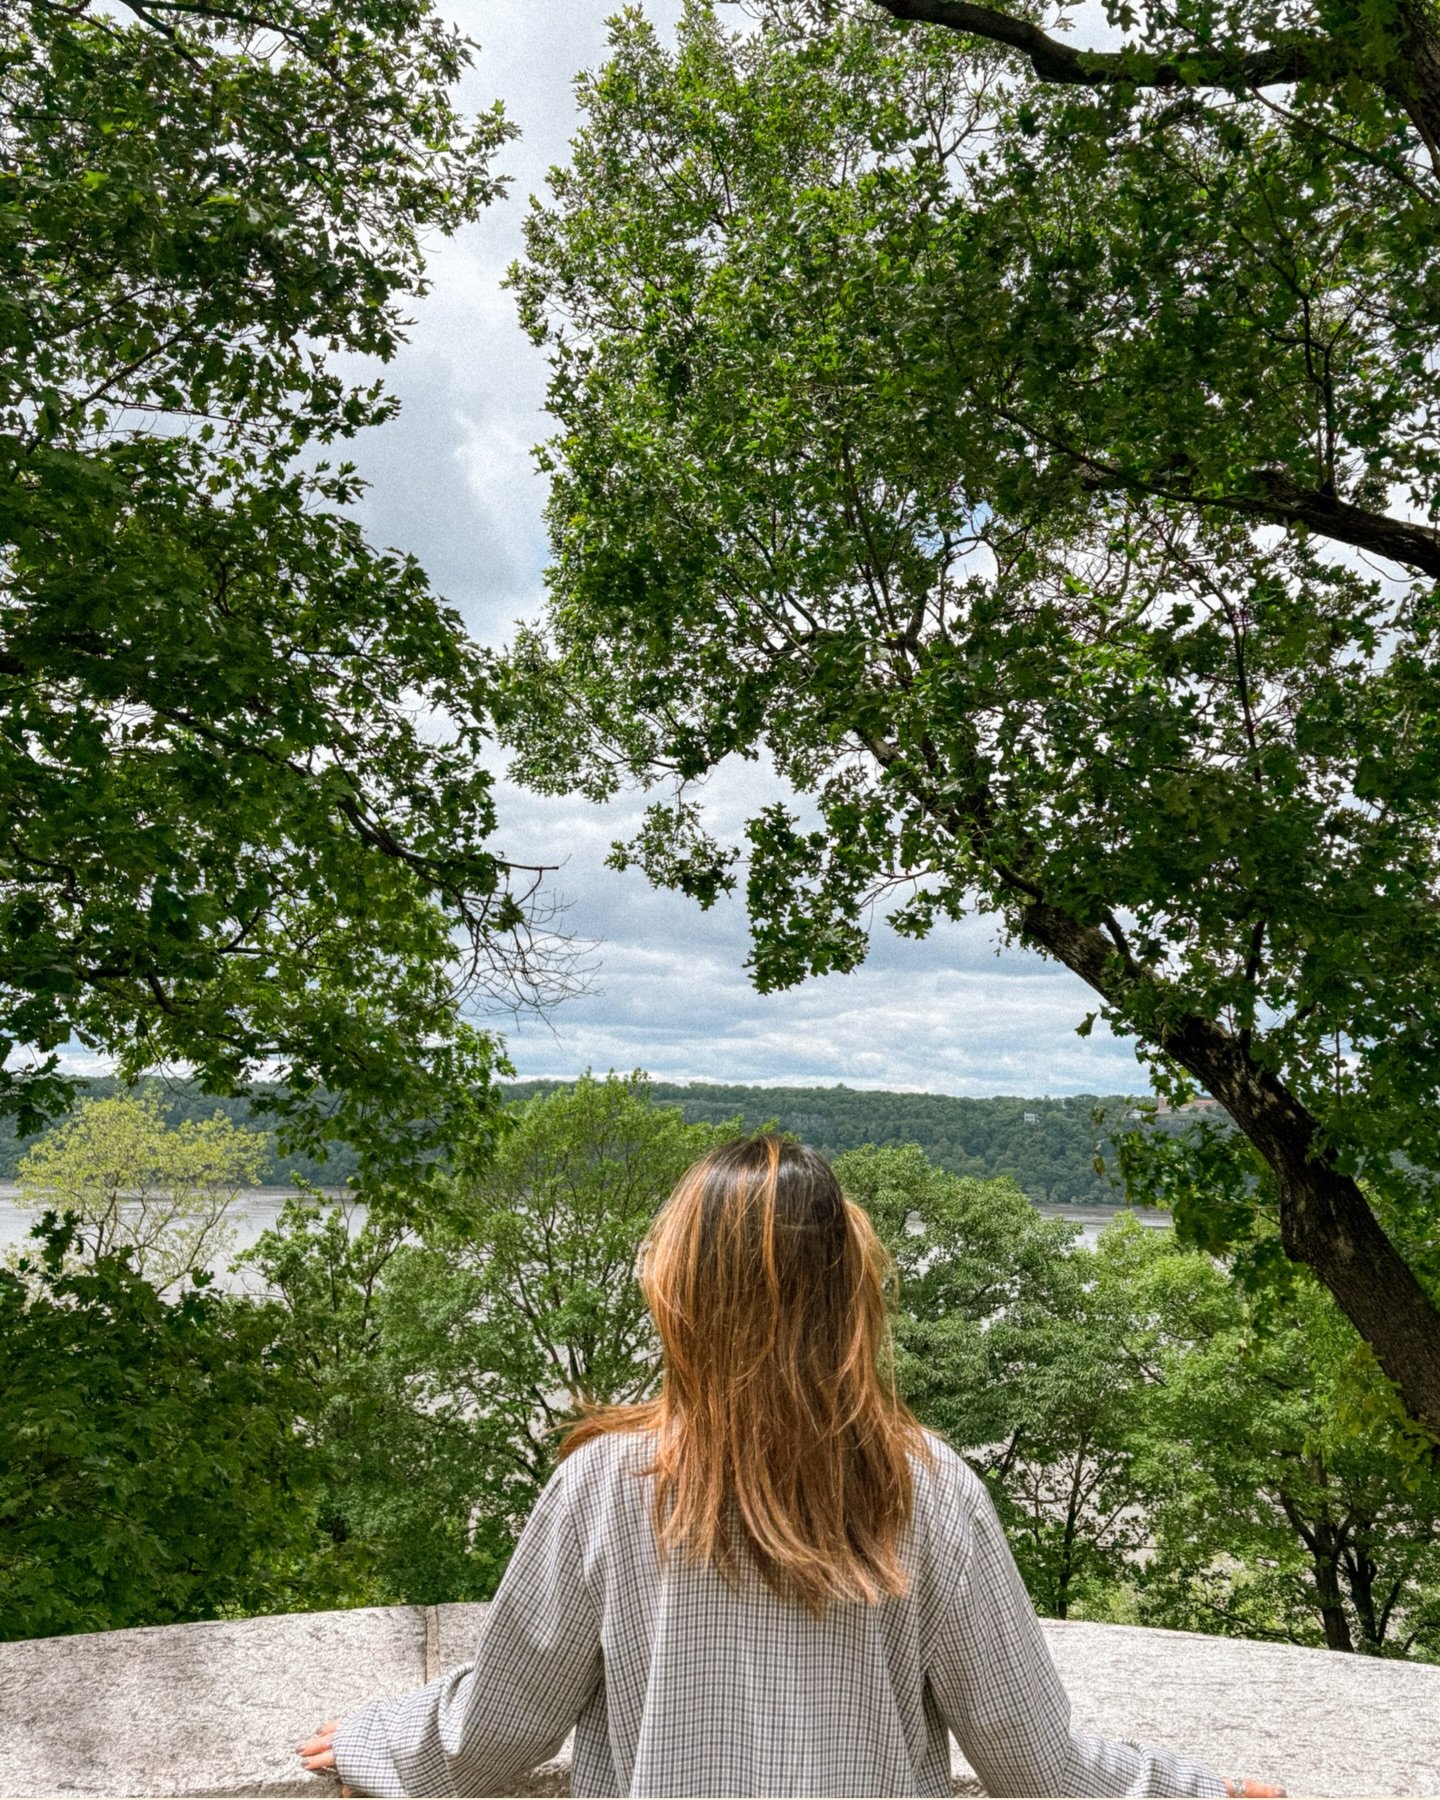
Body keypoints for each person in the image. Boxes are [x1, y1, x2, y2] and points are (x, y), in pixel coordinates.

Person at [297, 1134, 1286, 1799]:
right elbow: (1035, 1759)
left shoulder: (605, 1486)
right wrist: (1193, 1789)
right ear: (849, 1291)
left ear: (681, 1293)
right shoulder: (929, 1489)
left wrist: (377, 1740)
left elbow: (500, 1730)